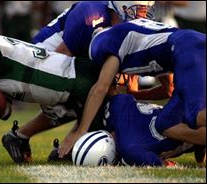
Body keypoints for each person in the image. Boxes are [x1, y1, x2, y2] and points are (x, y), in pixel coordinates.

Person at [0, 14, 109, 164]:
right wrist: (0, 107)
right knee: (93, 122)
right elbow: (5, 109)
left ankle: (75, 147)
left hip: (70, 80)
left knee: (107, 124)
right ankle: (70, 148)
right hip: (67, 78)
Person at [58, 18, 206, 159]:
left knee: (194, 115)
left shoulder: (106, 42)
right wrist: (136, 95)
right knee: (166, 123)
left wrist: (81, 130)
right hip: (189, 48)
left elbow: (100, 88)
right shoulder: (137, 40)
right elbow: (169, 89)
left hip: (190, 50)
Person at [102, 93, 205, 167]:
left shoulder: (130, 150)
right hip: (184, 110)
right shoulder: (116, 106)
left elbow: (167, 165)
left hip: (185, 130)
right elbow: (123, 96)